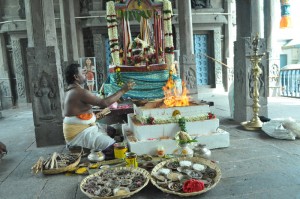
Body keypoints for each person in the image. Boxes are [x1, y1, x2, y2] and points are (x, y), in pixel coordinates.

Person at [63, 63, 135, 158]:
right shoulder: (79, 92)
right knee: (117, 150)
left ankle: (96, 145)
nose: (85, 74)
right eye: (82, 72)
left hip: (85, 128)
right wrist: (123, 90)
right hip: (79, 133)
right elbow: (103, 103)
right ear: (76, 77)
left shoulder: (71, 91)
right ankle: (88, 149)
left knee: (112, 131)